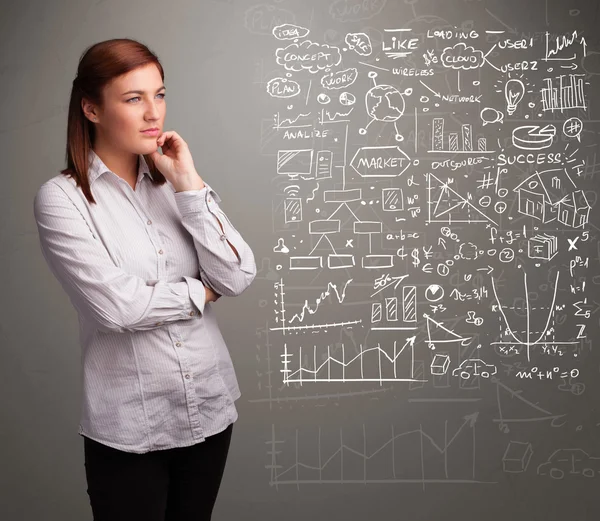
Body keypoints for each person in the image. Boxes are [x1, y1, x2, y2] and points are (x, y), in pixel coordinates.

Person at [32, 38, 256, 520]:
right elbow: (119, 309)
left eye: (159, 94)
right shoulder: (62, 200)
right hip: (131, 427)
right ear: (92, 109)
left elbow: (237, 273)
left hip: (209, 410)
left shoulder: (174, 182)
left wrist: (189, 184)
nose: (153, 112)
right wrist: (201, 291)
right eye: (134, 99)